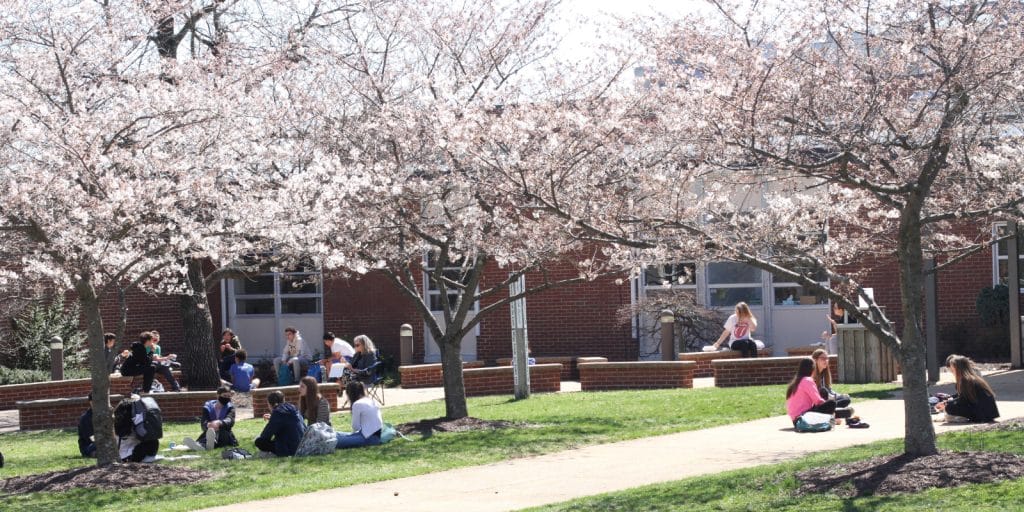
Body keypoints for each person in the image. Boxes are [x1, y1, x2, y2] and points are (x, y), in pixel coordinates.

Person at [936, 354, 1000, 423]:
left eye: (952, 368)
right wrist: (949, 401)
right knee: (950, 405)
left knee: (949, 408)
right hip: (988, 413)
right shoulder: (971, 378)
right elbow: (963, 396)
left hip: (982, 414)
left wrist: (947, 405)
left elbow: (963, 400)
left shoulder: (966, 380)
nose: (951, 370)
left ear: (958, 368)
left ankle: (959, 418)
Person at [184, 386, 238, 451]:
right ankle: (201, 445)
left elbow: (230, 420)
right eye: (224, 395)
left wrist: (219, 423)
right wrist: (208, 425)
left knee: (221, 436)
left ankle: (206, 445)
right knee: (209, 434)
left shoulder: (230, 407)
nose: (226, 398)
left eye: (228, 396)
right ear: (218, 395)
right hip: (210, 431)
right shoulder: (208, 406)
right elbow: (204, 421)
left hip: (224, 432)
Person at [786, 357, 837, 426]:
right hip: (804, 418)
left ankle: (830, 417)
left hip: (795, 420)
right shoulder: (808, 380)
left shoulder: (795, 381)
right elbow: (818, 401)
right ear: (812, 368)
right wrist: (831, 409)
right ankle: (830, 419)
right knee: (832, 403)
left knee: (822, 392)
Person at [254, 390, 305, 457]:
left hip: (289, 449)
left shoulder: (277, 412)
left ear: (270, 404)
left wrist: (272, 420)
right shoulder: (293, 408)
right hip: (302, 444)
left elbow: (265, 436)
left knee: (259, 441)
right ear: (283, 400)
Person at [335, 381, 383, 449]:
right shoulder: (371, 401)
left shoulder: (357, 404)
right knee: (337, 434)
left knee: (335, 440)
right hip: (375, 436)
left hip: (368, 438)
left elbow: (355, 427)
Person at [113, 397, 161, 463]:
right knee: (153, 442)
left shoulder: (116, 422)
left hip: (122, 455)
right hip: (130, 456)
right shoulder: (133, 424)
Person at [77, 393, 96, 457]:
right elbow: (90, 437)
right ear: (90, 402)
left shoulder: (104, 415)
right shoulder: (85, 418)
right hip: (88, 446)